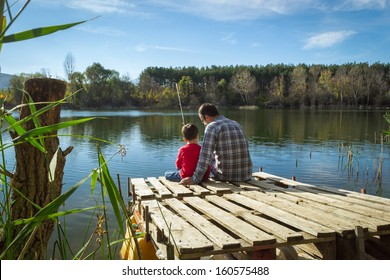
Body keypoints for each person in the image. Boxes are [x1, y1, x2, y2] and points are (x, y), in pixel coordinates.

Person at [179, 103, 253, 185]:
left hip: (226, 175)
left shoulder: (211, 127)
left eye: (202, 120)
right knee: (213, 153)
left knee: (205, 155)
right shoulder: (236, 123)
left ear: (206, 117)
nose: (203, 123)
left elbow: (205, 158)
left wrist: (194, 179)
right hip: (246, 174)